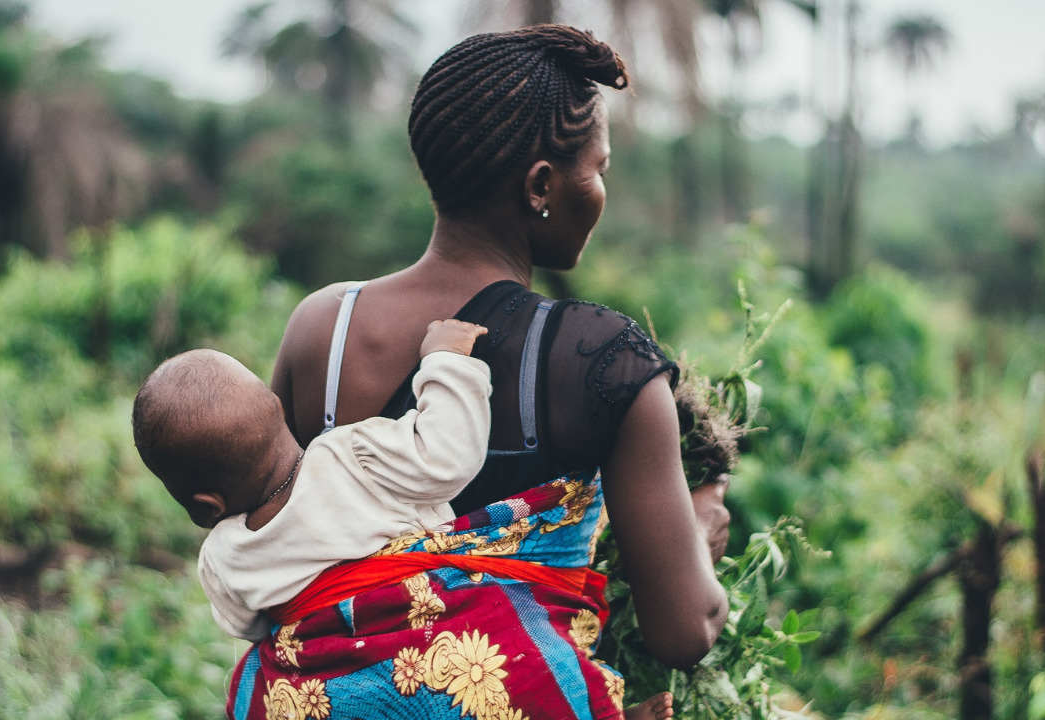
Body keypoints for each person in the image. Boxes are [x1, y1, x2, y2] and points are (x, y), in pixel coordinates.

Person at [230, 23, 727, 720]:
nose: (601, 191)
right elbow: (684, 632)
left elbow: (262, 534)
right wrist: (700, 526)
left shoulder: (324, 329)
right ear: (542, 185)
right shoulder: (605, 361)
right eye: (600, 168)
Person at [129, 320, 492, 642]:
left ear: (207, 505)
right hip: (443, 637)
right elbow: (449, 456)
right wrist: (446, 358)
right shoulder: (353, 457)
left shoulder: (223, 558)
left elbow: (251, 631)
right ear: (279, 408)